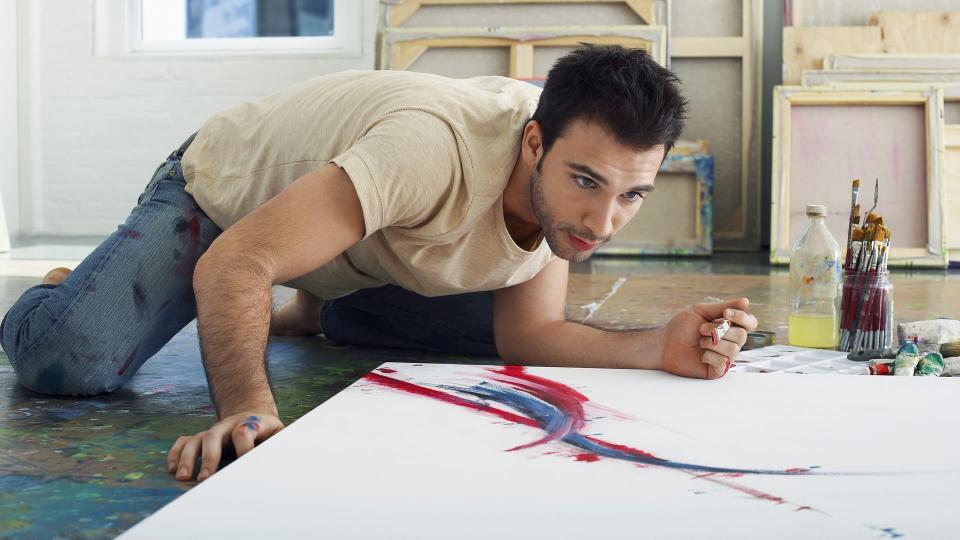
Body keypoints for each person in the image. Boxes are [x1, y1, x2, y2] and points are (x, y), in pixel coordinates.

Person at [0, 45, 757, 483]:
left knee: (484, 334)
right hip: (224, 203)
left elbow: (531, 335)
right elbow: (237, 262)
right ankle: (67, 293)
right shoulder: (432, 149)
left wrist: (656, 344)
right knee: (73, 361)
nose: (602, 220)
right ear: (534, 145)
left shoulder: (563, 189)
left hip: (358, 236)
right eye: (585, 183)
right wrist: (245, 410)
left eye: (632, 195)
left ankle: (318, 307)